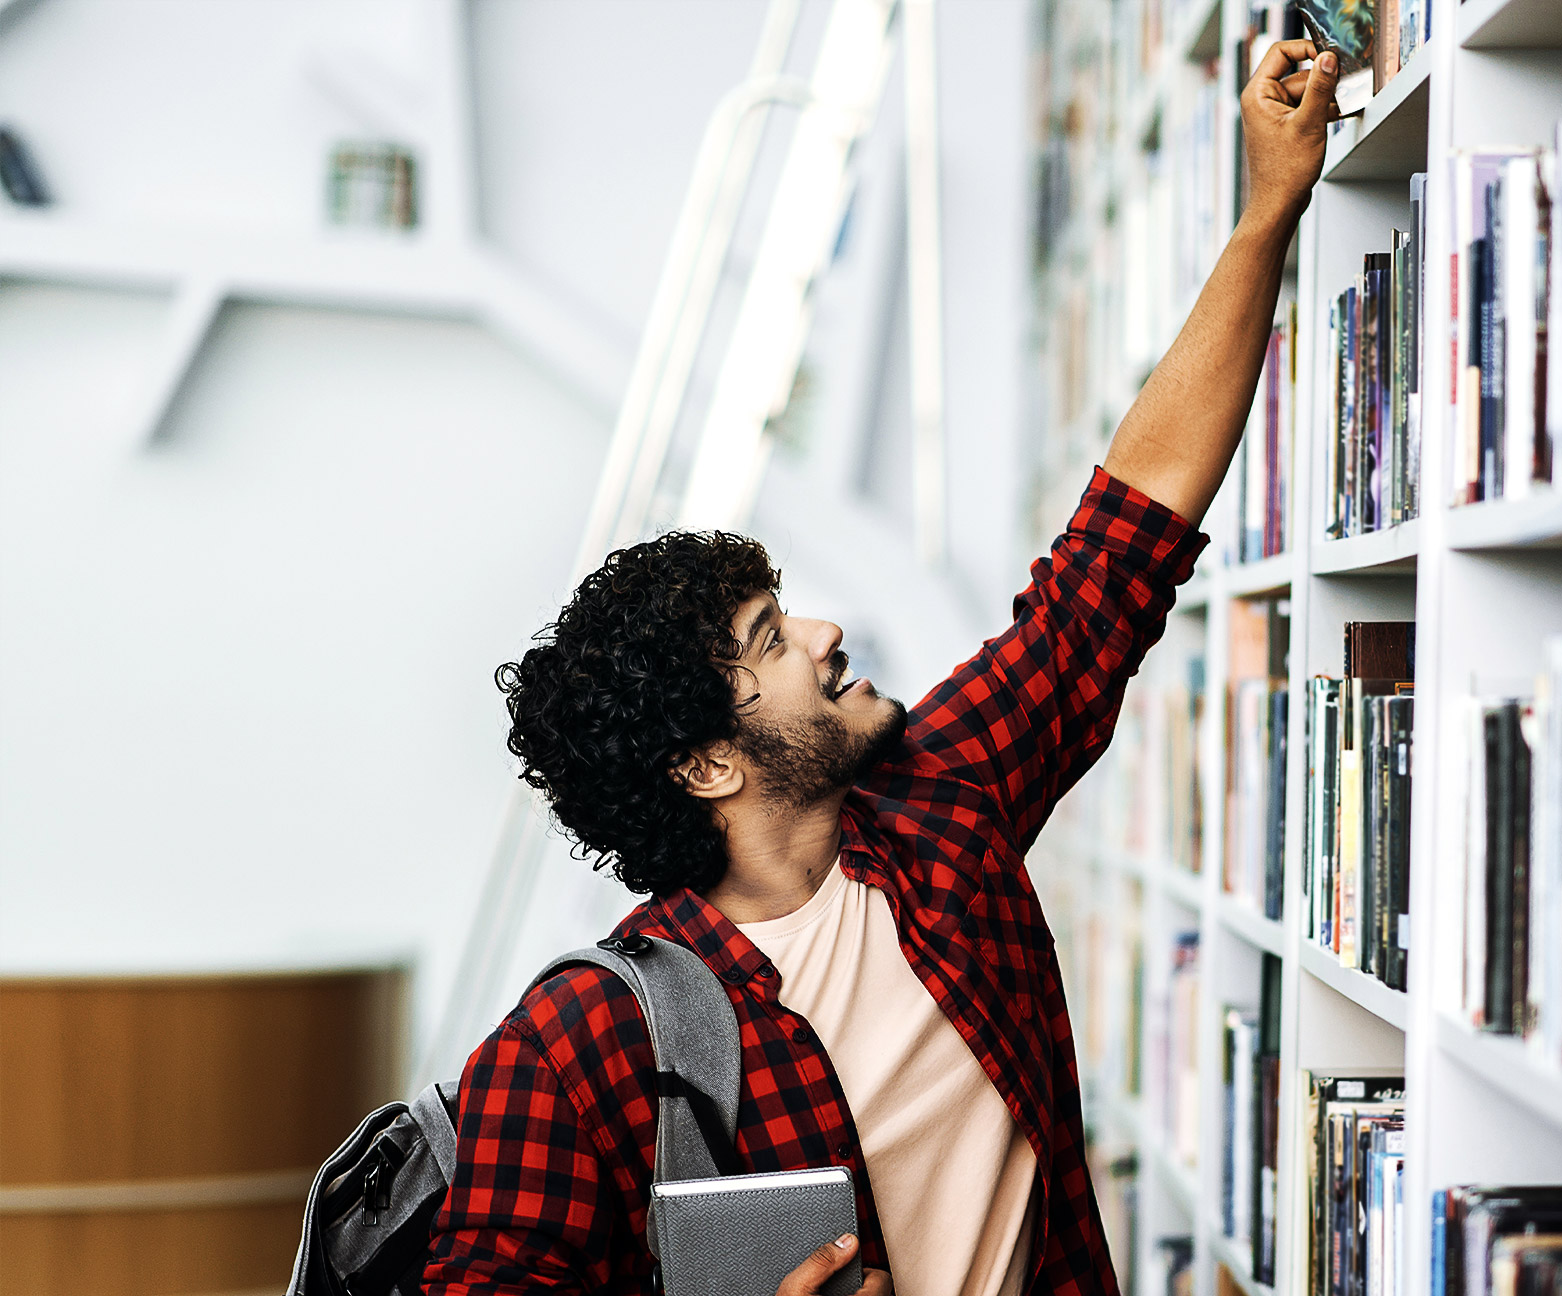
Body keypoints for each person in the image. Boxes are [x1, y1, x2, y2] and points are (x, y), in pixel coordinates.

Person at [424, 39, 1342, 1296]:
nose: (825, 633)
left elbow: (1125, 540)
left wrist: (1266, 211)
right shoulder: (578, 1046)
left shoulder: (939, 808)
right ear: (705, 762)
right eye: (770, 641)